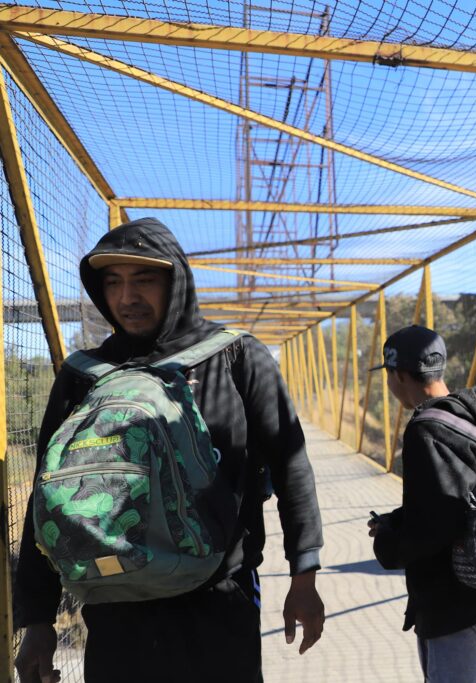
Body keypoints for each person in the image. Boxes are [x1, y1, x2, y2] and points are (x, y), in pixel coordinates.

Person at [14, 218, 325, 683]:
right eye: (113, 282)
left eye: (144, 279)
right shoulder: (83, 375)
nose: (126, 297)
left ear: (176, 281)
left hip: (219, 599)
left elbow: (291, 466)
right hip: (115, 602)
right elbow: (49, 489)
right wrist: (36, 619)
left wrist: (305, 575)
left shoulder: (235, 358)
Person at [367, 325, 476, 683]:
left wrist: (389, 544)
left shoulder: (425, 429)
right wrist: (396, 519)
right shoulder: (470, 414)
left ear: (398, 375)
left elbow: (438, 523)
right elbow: (462, 496)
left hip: (449, 605)